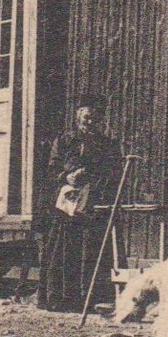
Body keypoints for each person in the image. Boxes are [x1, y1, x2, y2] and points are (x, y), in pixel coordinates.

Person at [38, 99, 123, 312]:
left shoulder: (108, 145)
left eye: (95, 118)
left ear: (101, 120)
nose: (90, 122)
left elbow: (114, 173)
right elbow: (52, 170)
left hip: (96, 204)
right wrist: (68, 177)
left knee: (93, 250)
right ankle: (64, 299)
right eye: (87, 117)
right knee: (66, 250)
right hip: (68, 205)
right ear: (78, 119)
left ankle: (93, 299)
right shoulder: (65, 141)